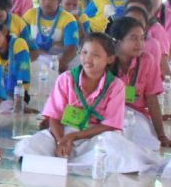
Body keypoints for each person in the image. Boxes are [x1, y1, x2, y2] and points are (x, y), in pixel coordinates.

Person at [14, 33, 161, 174]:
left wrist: (74, 137)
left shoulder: (116, 86)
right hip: (63, 132)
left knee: (116, 148)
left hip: (95, 135)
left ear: (110, 59)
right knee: (29, 146)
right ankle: (66, 162)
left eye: (95, 55)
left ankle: (72, 164)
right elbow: (54, 117)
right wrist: (61, 141)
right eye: (84, 52)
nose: (88, 59)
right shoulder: (65, 79)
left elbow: (109, 125)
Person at [107, 16, 171, 154]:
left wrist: (161, 135)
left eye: (142, 38)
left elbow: (152, 100)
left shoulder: (147, 60)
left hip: (136, 116)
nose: (140, 43)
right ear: (117, 41)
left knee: (144, 144)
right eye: (133, 38)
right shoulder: (106, 61)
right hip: (109, 114)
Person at [25, 0, 80, 72]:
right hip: (36, 54)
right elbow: (22, 38)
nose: (47, 2)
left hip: (60, 56)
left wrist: (63, 61)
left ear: (59, 1)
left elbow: (72, 46)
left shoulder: (68, 19)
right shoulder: (29, 15)